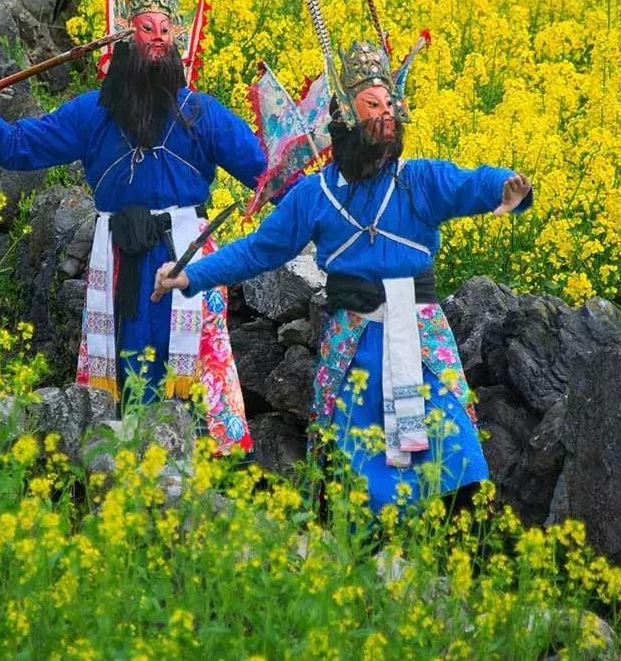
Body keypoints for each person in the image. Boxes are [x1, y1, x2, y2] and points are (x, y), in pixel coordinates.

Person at [153, 35, 532, 511]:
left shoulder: (419, 181)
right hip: (352, 341)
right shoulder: (316, 195)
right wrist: (191, 276)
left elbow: (471, 183)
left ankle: (451, 548)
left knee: (452, 449)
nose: (386, 114)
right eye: (372, 104)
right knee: (351, 461)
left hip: (419, 334)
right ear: (347, 117)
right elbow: (258, 251)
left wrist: (507, 187)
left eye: (390, 104)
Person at [0, 0, 265, 453]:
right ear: (124, 36)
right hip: (120, 260)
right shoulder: (92, 113)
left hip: (187, 255)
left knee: (192, 370)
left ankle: (204, 472)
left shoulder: (202, 113)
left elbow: (265, 173)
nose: (158, 39)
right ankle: (123, 467)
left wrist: (315, 189)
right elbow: (19, 147)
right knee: (129, 365)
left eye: (166, 30)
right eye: (146, 28)